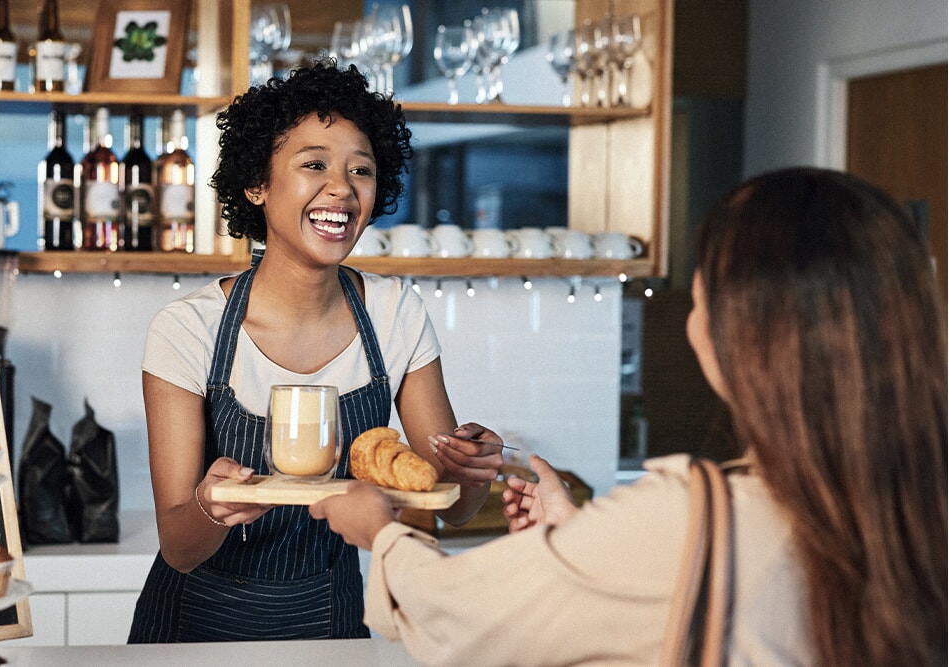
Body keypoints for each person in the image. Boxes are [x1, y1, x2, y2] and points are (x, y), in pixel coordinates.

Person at [311, 167, 947, 666]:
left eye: (702, 295)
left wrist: (382, 534)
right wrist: (578, 538)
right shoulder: (920, 508)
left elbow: (460, 613)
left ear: (743, 336)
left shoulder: (692, 514)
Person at [128, 60, 505, 643]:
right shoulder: (189, 329)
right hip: (194, 630)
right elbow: (179, 546)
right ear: (256, 184)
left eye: (361, 170)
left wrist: (471, 471)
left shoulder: (395, 314)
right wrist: (211, 507)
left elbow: (447, 506)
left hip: (331, 622)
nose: (342, 188)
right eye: (314, 165)